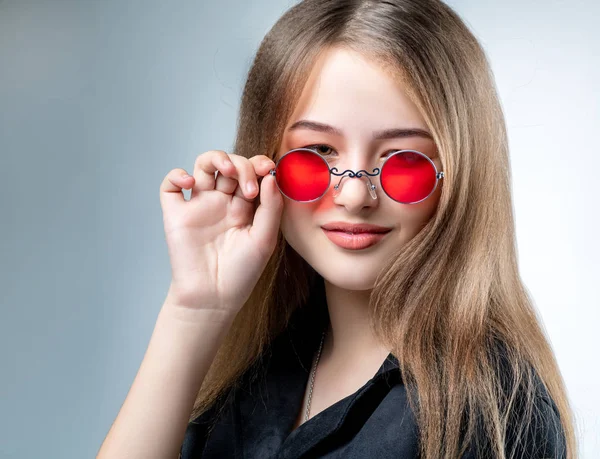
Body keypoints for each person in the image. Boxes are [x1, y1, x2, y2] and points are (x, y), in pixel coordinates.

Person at [97, 0, 577, 458]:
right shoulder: (259, 373)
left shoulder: (491, 411)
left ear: (459, 175)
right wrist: (196, 307)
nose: (353, 196)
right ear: (265, 163)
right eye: (319, 152)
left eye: (401, 159)